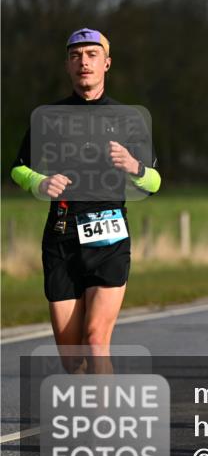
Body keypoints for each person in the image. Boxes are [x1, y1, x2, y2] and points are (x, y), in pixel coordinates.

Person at [10, 29, 161, 374]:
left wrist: (134, 166)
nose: (84, 62)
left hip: (109, 236)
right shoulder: (49, 117)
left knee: (95, 342)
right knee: (73, 360)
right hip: (62, 236)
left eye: (92, 54)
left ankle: (103, 424)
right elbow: (19, 169)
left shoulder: (128, 119)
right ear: (67, 65)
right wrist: (40, 181)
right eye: (76, 55)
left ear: (106, 63)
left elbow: (154, 181)